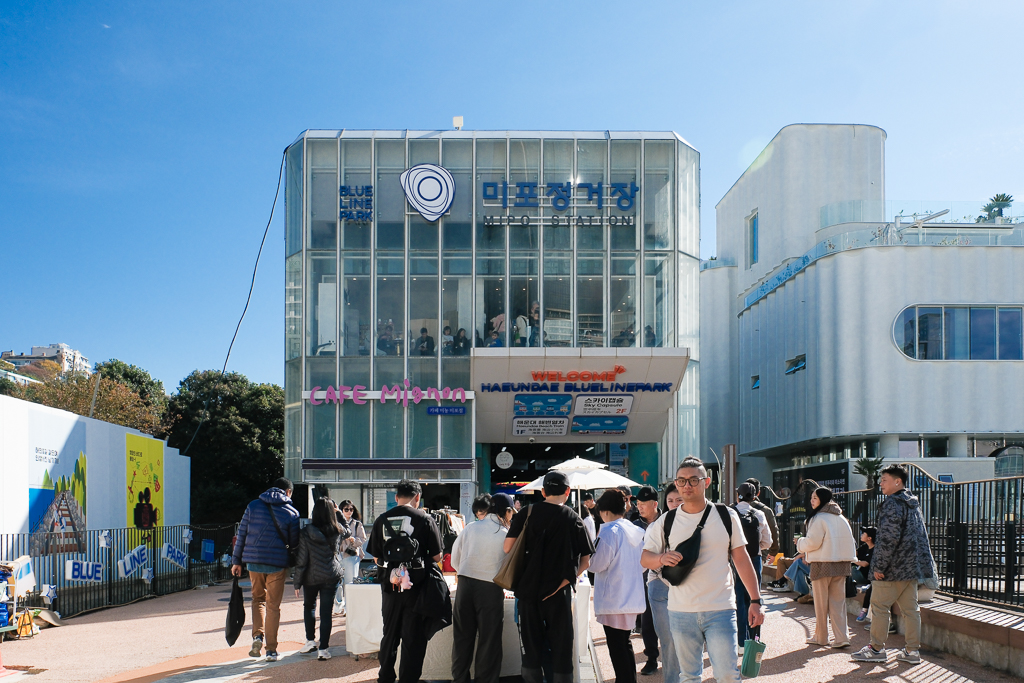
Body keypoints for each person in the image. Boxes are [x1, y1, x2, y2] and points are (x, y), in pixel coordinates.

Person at [640, 458, 764, 683]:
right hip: (680, 610)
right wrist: (660, 558)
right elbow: (645, 558)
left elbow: (742, 559)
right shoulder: (666, 521)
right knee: (688, 676)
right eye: (682, 480)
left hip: (721, 608)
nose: (687, 485)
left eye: (693, 480)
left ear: (706, 482)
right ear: (676, 484)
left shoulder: (727, 515)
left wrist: (755, 600)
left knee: (727, 675)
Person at [505, 471, 595, 683]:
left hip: (528, 591)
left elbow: (508, 547)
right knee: (561, 645)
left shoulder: (526, 513)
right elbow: (586, 560)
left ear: (543, 491)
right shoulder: (574, 517)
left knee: (530, 645)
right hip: (559, 591)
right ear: (567, 491)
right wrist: (567, 578)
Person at [852, 464, 935, 666]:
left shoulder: (892, 504)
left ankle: (876, 649)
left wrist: (878, 566)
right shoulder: (912, 503)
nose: (881, 483)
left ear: (897, 481)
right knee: (911, 610)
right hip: (911, 568)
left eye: (885, 480)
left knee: (879, 607)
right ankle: (912, 651)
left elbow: (888, 539)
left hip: (891, 569)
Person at [366, 480, 444, 683]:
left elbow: (375, 557)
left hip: (390, 588)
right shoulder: (425, 519)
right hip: (417, 590)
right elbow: (437, 556)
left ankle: (385, 677)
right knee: (413, 639)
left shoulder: (381, 520)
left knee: (389, 635)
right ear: (417, 497)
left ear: (396, 497)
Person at [231, 477, 301, 662]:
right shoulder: (292, 512)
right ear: (288, 492)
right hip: (277, 564)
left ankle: (257, 638)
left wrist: (236, 561)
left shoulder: (253, 506)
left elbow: (242, 534)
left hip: (253, 562)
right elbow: (294, 544)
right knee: (273, 606)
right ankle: (271, 650)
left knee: (257, 599)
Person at [450, 493, 514, 683]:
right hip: (490, 588)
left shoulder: (470, 528)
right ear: (507, 511)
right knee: (489, 639)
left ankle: (460, 679)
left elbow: (455, 558)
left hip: (465, 584)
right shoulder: (505, 534)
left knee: (462, 637)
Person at [590, 490, 647, 683]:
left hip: (613, 597)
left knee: (616, 646)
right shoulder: (634, 530)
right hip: (631, 596)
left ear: (604, 511)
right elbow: (643, 564)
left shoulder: (608, 531)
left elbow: (597, 564)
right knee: (625, 643)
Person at [797, 486, 857, 648]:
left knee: (821, 603)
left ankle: (821, 637)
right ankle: (841, 637)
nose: (812, 501)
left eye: (815, 498)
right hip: (841, 564)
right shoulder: (841, 517)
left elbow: (813, 543)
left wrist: (800, 543)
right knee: (838, 603)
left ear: (822, 499)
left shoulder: (818, 518)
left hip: (822, 564)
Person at [293, 497, 346, 660]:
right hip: (331, 575)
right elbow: (348, 531)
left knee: (309, 607)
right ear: (332, 512)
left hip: (311, 576)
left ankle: (310, 641)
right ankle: (323, 649)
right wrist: (339, 514)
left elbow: (302, 560)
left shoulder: (306, 532)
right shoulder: (337, 530)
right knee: (326, 613)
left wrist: (297, 582)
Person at [646, 484, 682, 683]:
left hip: (688, 587)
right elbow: (645, 558)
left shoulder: (698, 524)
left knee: (688, 641)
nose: (674, 504)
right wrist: (662, 558)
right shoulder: (658, 525)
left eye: (679, 500)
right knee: (668, 641)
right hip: (659, 584)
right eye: (670, 501)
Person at [733, 483, 773, 649]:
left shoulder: (731, 512)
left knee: (738, 599)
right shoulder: (759, 514)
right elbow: (767, 541)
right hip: (755, 558)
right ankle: (754, 639)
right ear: (755, 495)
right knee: (754, 599)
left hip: (735, 559)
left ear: (738, 495)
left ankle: (740, 641)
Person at [632, 486, 661, 675]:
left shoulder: (669, 520)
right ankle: (651, 658)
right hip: (644, 578)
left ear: (655, 504)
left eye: (643, 504)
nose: (639, 507)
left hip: (671, 578)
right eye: (638, 504)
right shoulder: (633, 524)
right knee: (648, 621)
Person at [334, 499, 367, 616]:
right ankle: (338, 605)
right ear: (341, 510)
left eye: (351, 509)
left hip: (351, 554)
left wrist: (353, 540)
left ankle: (349, 607)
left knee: (350, 582)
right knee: (337, 582)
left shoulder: (357, 523)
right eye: (346, 509)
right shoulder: (336, 522)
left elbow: (363, 539)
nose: (349, 512)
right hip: (337, 555)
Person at [745, 478, 781, 557]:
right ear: (758, 493)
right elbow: (773, 531)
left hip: (737, 553)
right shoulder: (766, 511)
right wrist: (773, 552)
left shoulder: (733, 509)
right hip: (759, 552)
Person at [854, 526, 876, 622]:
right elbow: (855, 553)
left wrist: (853, 560)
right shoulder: (865, 546)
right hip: (862, 575)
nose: (861, 535)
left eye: (864, 534)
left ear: (869, 538)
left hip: (868, 577)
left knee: (851, 571)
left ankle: (864, 611)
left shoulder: (875, 550)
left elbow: (865, 563)